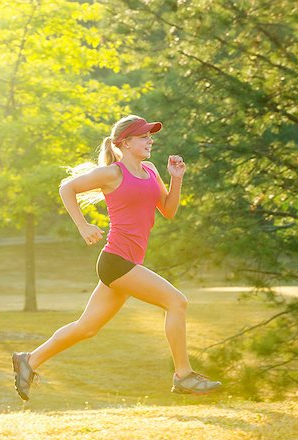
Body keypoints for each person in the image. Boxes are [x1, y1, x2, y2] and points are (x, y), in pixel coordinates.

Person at [12, 115, 222, 400]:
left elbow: (169, 211)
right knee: (177, 301)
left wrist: (176, 180)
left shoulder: (149, 171)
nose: (151, 140)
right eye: (144, 136)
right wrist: (83, 225)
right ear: (125, 142)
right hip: (116, 261)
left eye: (151, 135)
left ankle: (29, 361)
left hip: (127, 263)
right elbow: (67, 188)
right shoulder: (114, 174)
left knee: (87, 328)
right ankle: (183, 375)